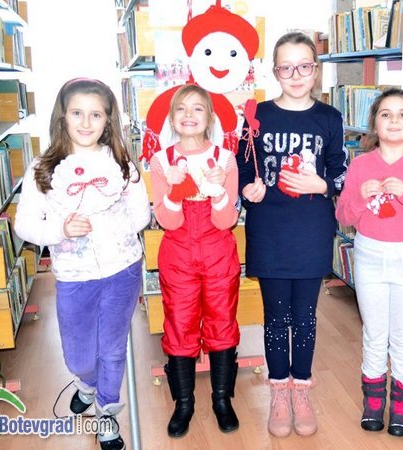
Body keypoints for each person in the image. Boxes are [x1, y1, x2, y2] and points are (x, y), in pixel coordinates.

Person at [14, 78, 151, 450]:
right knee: (79, 356)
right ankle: (87, 384)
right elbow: (24, 224)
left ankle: (107, 412)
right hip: (75, 278)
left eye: (96, 115)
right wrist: (60, 229)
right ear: (63, 117)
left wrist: (111, 225)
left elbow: (140, 215)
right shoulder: (43, 168)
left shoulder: (121, 164)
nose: (86, 122)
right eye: (77, 113)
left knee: (112, 349)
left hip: (122, 271)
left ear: (108, 120)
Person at [237, 31, 348, 437]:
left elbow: (340, 171)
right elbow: (243, 169)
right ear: (275, 71)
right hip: (269, 230)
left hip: (311, 231)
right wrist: (247, 190)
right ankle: (278, 393)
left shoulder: (329, 118)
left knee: (304, 317)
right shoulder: (257, 116)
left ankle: (301, 390)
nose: (296, 75)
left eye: (304, 66)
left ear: (315, 71)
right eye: (287, 68)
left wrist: (323, 185)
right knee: (275, 317)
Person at [335, 88, 403, 437]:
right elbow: (343, 215)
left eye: (402, 114)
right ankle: (373, 401)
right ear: (375, 123)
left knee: (402, 336)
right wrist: (360, 197)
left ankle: (401, 406)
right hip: (369, 256)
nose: (394, 121)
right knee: (374, 333)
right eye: (386, 114)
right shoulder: (361, 165)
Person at [149, 84, 241, 438]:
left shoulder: (225, 158)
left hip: (218, 250)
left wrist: (218, 191)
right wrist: (174, 190)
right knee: (180, 324)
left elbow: (227, 220)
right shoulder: (161, 161)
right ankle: (184, 403)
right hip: (178, 253)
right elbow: (168, 221)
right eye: (181, 109)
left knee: (222, 320)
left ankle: (222, 400)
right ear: (172, 119)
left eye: (198, 108)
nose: (189, 115)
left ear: (210, 118)